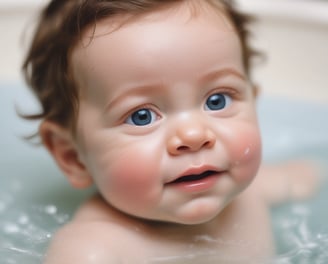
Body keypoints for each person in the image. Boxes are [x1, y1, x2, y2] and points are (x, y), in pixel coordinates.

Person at [22, 0, 317, 263]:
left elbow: (310, 175)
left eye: (217, 100)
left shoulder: (254, 191)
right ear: (72, 156)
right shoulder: (94, 252)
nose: (193, 135)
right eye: (141, 116)